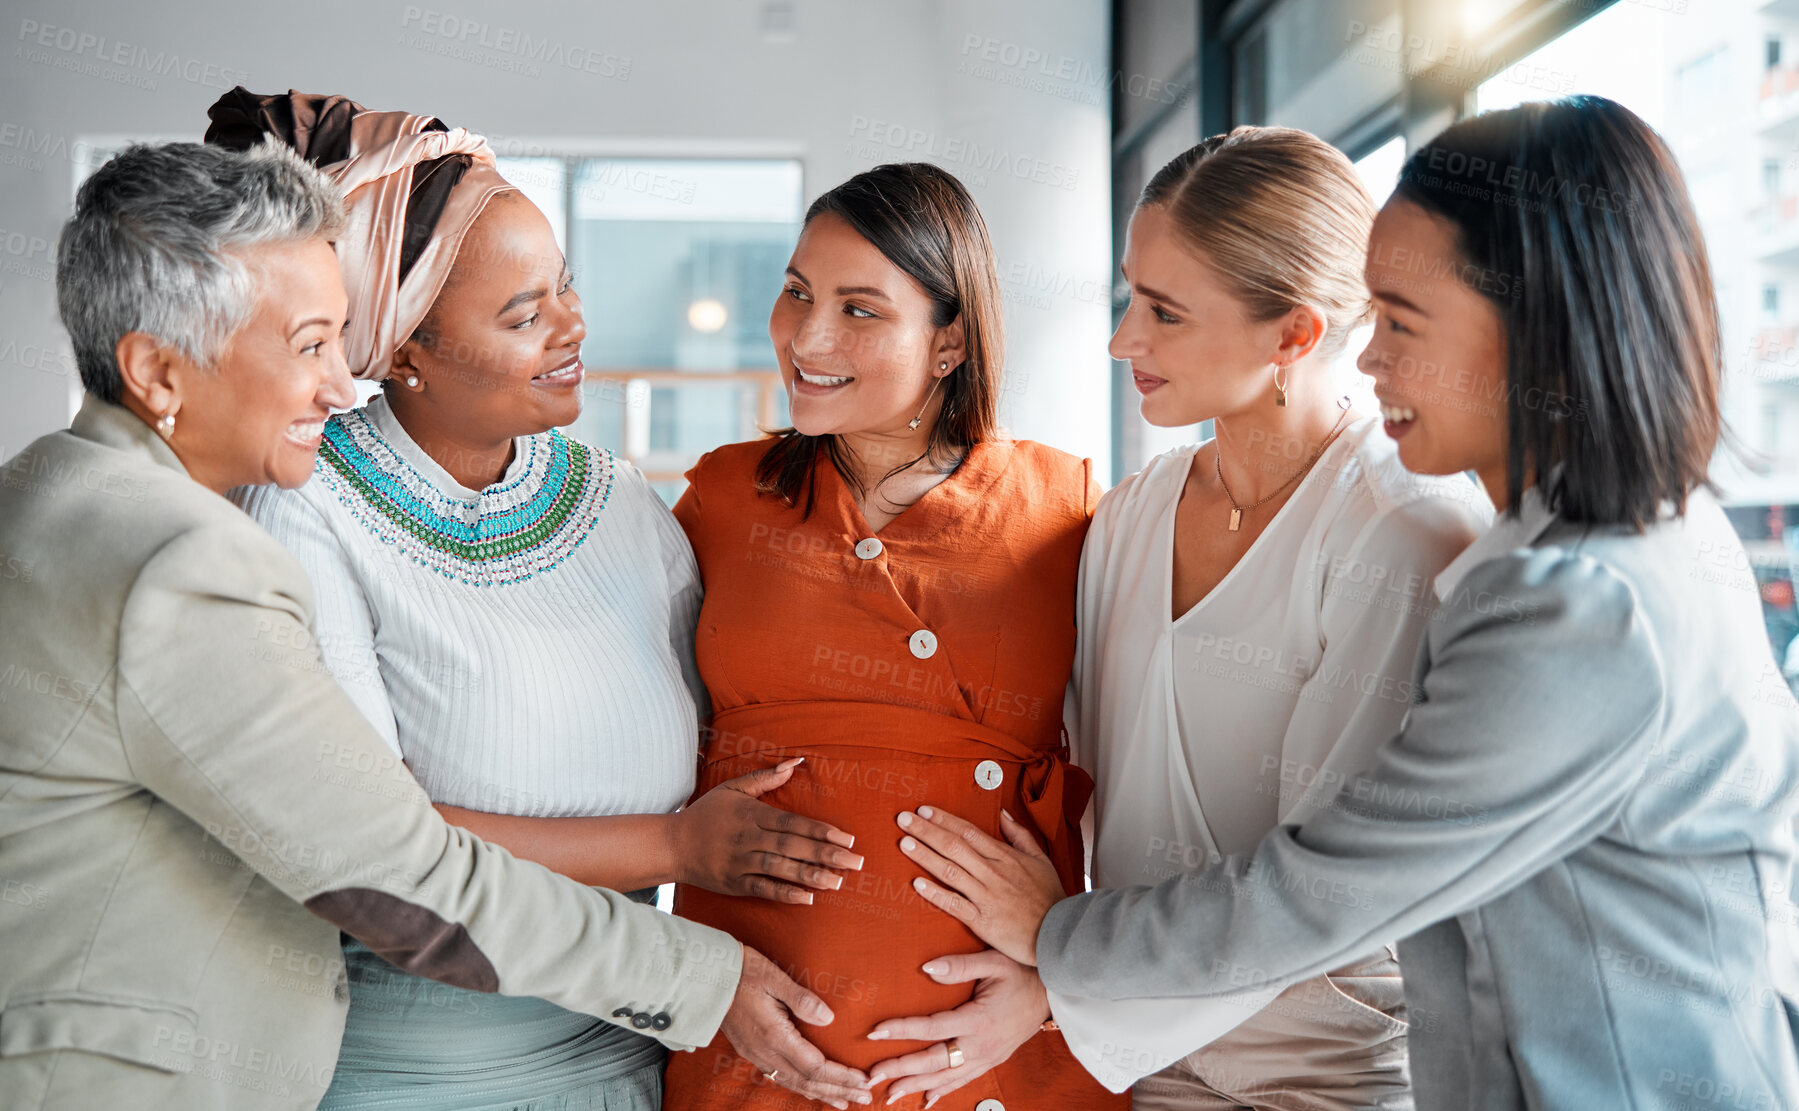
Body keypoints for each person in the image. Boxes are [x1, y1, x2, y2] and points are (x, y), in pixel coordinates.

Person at [893, 97, 1799, 1111]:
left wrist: (1054, 944)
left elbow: (1323, 890)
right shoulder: (1586, 555)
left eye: (1400, 323)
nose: (1366, 358)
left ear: (1528, 327)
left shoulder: (1574, 606)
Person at [0, 139, 872, 1111]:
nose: (342, 384)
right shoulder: (181, 560)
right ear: (158, 373)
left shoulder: (46, 496)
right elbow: (391, 873)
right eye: (309, 346)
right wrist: (703, 976)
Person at [875, 127, 1490, 1108]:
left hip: (1312, 1083)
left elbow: (1317, 892)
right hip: (1131, 1068)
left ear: (1292, 335)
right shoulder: (1128, 513)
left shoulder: (1400, 534)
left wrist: (1052, 971)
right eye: (1129, 293)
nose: (1122, 338)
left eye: (1161, 311)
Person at [660, 163, 1124, 1111]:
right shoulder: (720, 498)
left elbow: (1149, 779)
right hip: (753, 1048)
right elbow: (627, 755)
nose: (808, 336)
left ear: (948, 340)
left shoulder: (1065, 507)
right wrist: (694, 976)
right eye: (796, 293)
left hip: (998, 1053)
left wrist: (1057, 977)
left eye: (860, 309)